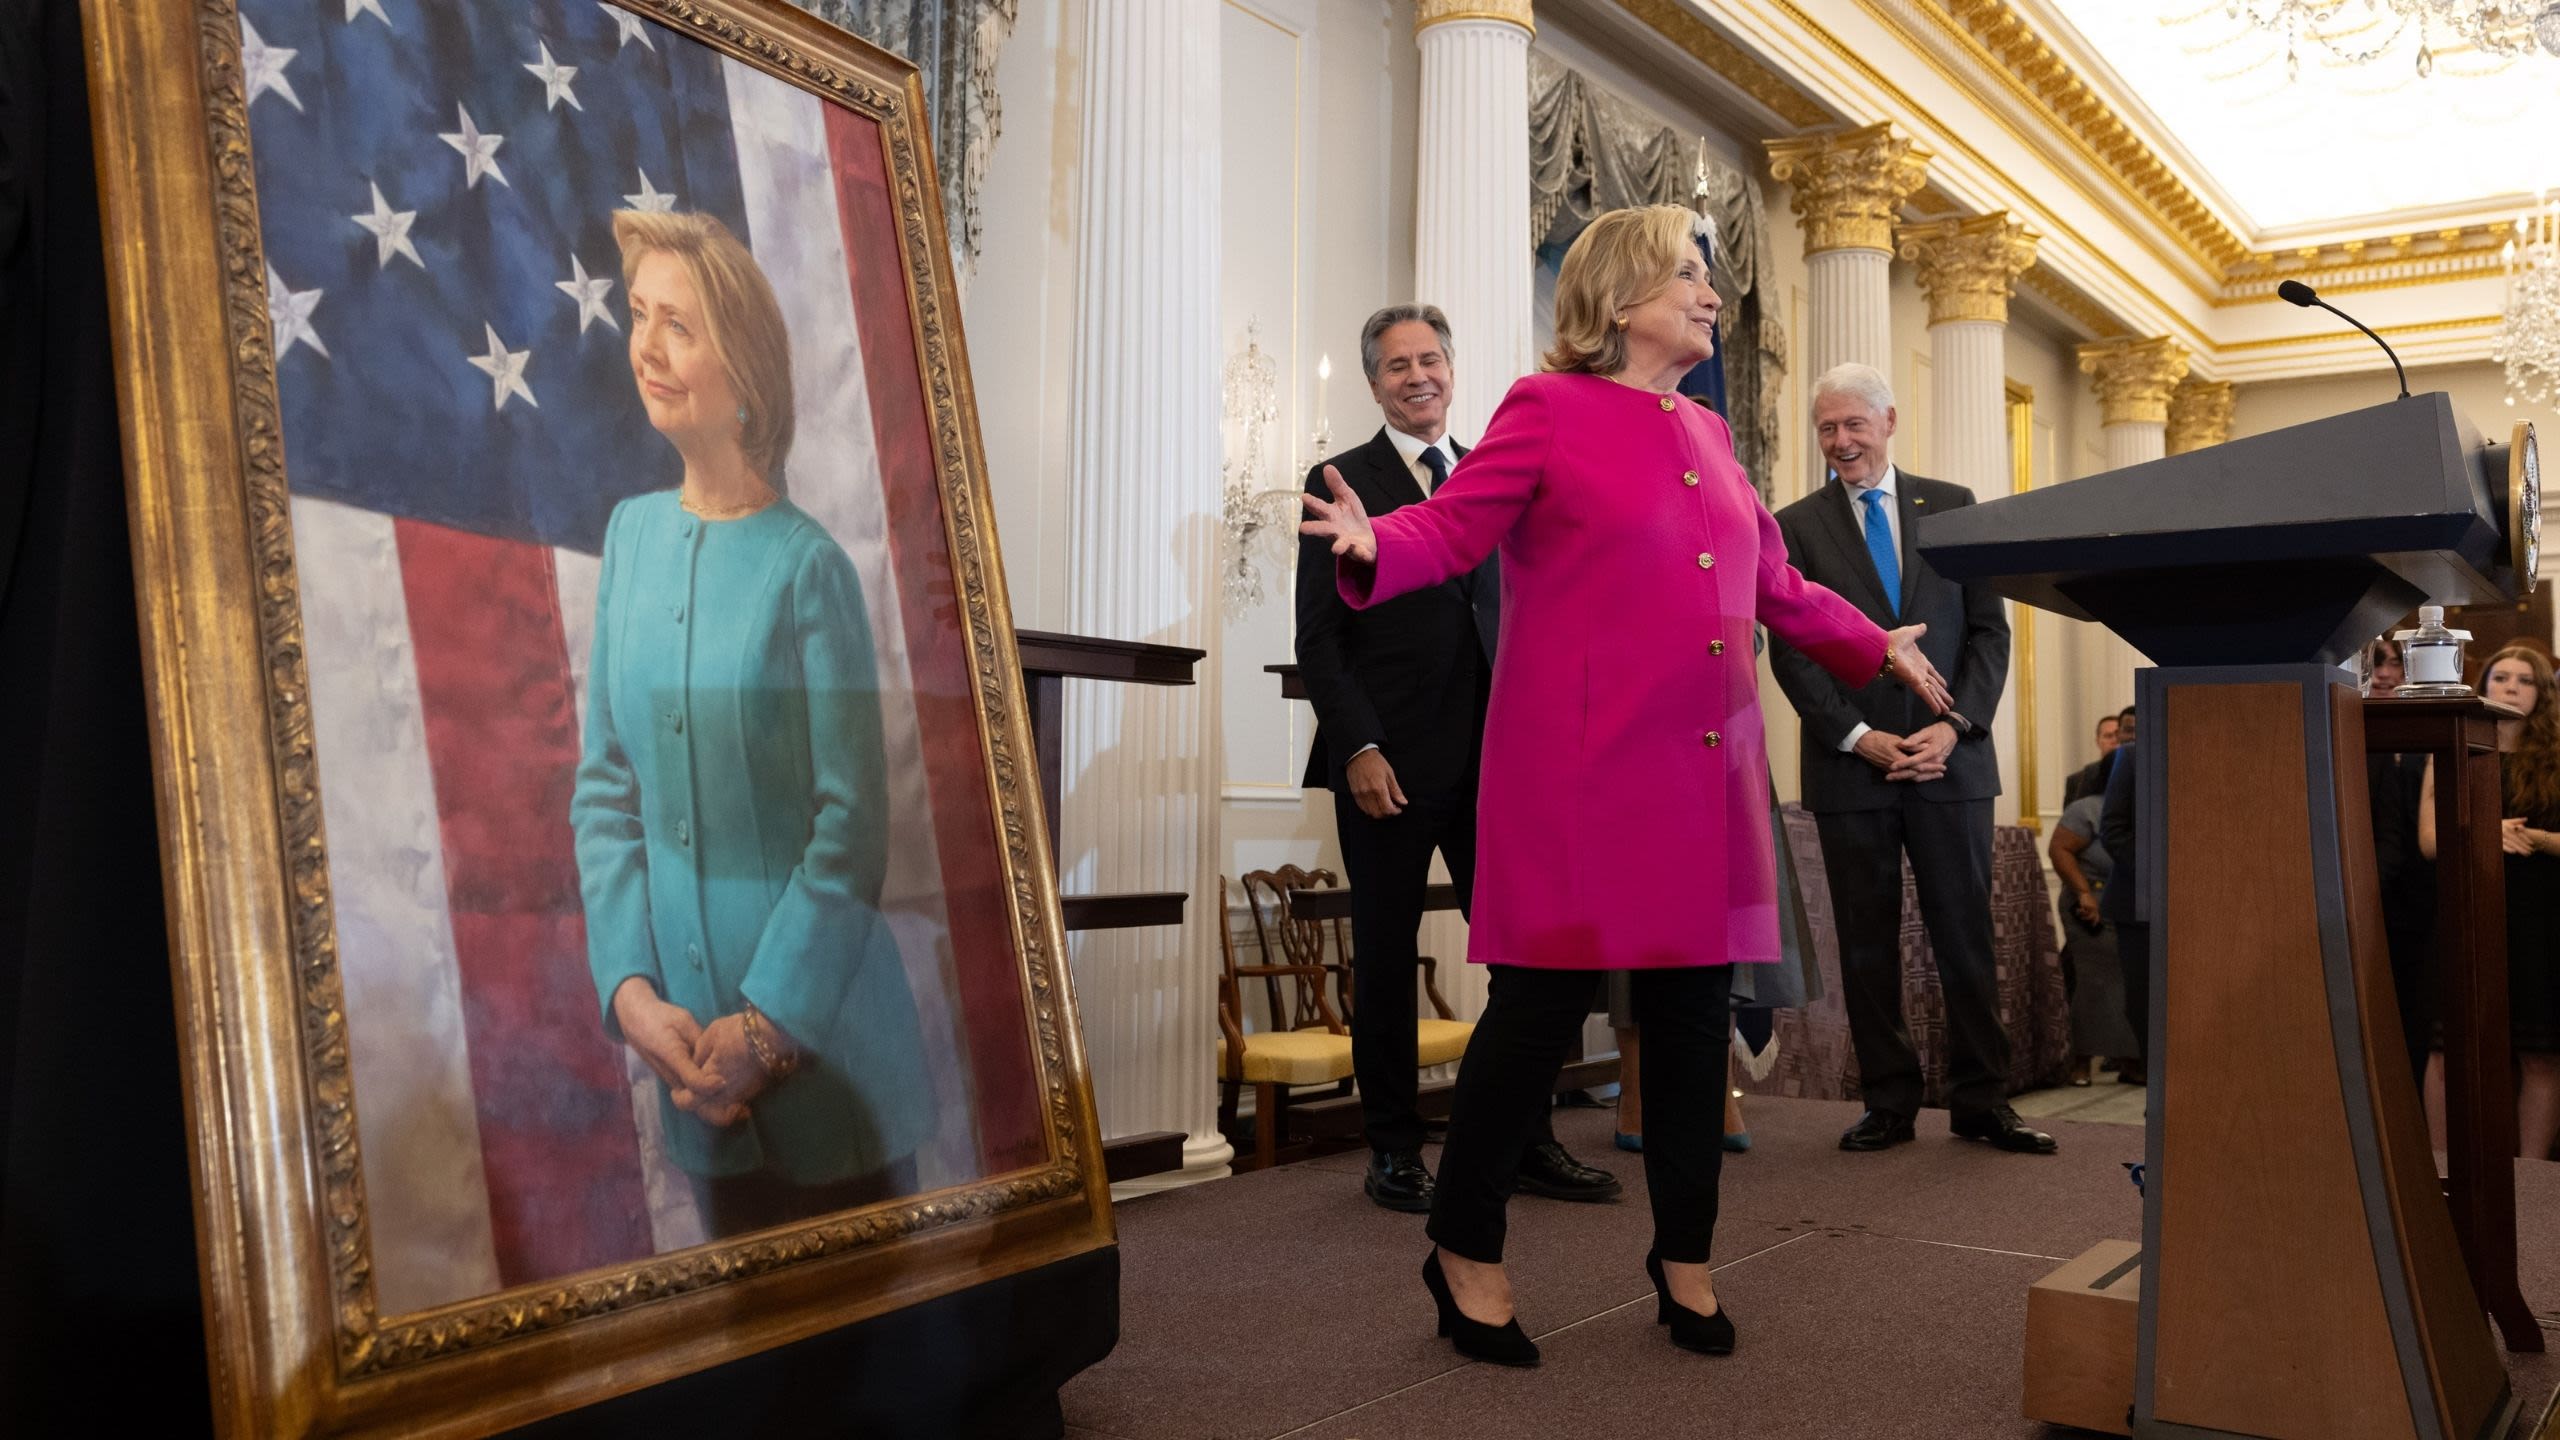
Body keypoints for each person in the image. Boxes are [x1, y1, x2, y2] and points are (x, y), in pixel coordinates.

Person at [1300, 203, 1952, 1366]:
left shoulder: (1706, 432)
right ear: (1619, 295)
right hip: (1580, 772)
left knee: (1694, 1020)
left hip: (1701, 770)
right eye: (1689, 274)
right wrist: (1372, 545)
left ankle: (1685, 1258)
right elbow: (1450, 529)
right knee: (1539, 1012)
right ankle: (1462, 1245)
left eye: (1707, 274)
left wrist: (1877, 645)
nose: (1711, 293)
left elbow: (1779, 585)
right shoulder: (1544, 408)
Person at [572, 210, 932, 1239]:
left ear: (745, 361)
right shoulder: (629, 538)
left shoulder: (808, 566)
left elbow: (851, 828)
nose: (646, 346)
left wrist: (769, 1032)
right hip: (688, 1066)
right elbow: (604, 789)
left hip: (828, 1071)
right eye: (638, 315)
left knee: (860, 1372)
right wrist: (629, 993)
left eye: (678, 324)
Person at [1294, 303, 1616, 1213]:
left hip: (1503, 766)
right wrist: (1357, 743)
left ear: (1452, 367)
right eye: (1396, 365)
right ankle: (1393, 1149)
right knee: (1388, 962)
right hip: (1387, 768)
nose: (1417, 375)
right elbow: (1319, 640)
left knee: (1526, 962)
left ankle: (1524, 1139)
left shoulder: (1491, 474)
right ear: (1374, 383)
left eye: (1430, 358)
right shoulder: (1335, 479)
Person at [1767, 363, 2052, 1156]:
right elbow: (1793, 652)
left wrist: (1954, 725)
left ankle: (1982, 1102)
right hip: (1853, 765)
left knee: (1965, 933)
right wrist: (1859, 737)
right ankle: (1888, 1101)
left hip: (1950, 762)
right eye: (1827, 428)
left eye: (1854, 425)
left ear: (1888, 422)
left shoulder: (1954, 507)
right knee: (1865, 940)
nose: (1841, 441)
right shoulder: (1795, 527)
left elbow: (1990, 635)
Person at [2416, 644, 2560, 1160]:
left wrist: (2538, 840)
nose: (2511, 688)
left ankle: (2532, 1171)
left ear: (2543, 693)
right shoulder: (2453, 745)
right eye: (2501, 677)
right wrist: (2485, 832)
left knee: (2540, 1055)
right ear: (2484, 685)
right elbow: (2430, 841)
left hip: (2541, 919)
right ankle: (2438, 1165)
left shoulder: (2557, 755)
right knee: (2446, 1047)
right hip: (2469, 906)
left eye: (2525, 680)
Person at [2049, 791, 2135, 1085]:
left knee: (2127, 985)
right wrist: (2084, 893)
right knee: (2093, 984)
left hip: (2127, 903)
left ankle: (2130, 1060)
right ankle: (2081, 1061)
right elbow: (2059, 849)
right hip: (2088, 906)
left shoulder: (2147, 806)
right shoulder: (2087, 808)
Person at [2099, 722, 2146, 1083]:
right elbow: (2112, 831)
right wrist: (2159, 873)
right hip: (2138, 903)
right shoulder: (2129, 758)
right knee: (2143, 1004)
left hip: (2201, 901)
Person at [2063, 707, 2134, 805]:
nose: (2115, 740)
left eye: (2117, 734)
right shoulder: (2077, 780)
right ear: (2097, 741)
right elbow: (2075, 816)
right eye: (2108, 736)